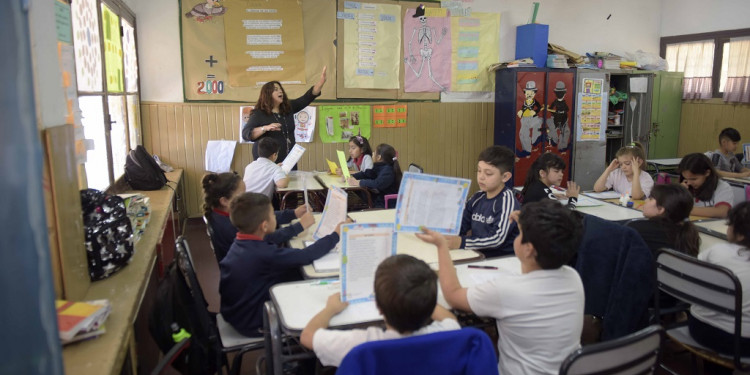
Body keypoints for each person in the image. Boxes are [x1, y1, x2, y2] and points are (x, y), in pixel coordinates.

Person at [417, 199, 584, 374]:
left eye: (520, 234)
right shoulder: (573, 278)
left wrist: (441, 246)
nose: (517, 236)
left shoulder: (507, 290)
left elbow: (453, 295)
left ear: (528, 249)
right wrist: (526, 224)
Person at [299, 254, 460, 367]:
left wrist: (330, 309)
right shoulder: (446, 333)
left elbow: (307, 336)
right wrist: (420, 295)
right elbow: (450, 319)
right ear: (431, 305)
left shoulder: (362, 344)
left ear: (378, 307)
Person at [220, 193, 343, 337]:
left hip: (238, 312)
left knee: (296, 275)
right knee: (317, 296)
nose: (275, 217)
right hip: (254, 321)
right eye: (273, 214)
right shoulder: (263, 254)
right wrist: (335, 235)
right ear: (264, 226)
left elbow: (273, 237)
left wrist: (298, 226)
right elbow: (305, 256)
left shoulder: (242, 242)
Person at [202, 172, 314, 262]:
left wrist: (294, 213)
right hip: (248, 274)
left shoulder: (223, 214)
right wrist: (299, 226)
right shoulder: (229, 225)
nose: (245, 196)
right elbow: (268, 239)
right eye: (242, 194)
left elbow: (261, 215)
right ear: (224, 201)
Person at [688, 201, 750, 356]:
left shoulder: (717, 250)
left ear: (740, 234)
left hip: (699, 327)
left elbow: (694, 279)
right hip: (742, 340)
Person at [444, 146, 519, 258]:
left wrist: (462, 242)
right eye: (479, 171)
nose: (481, 177)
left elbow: (497, 239)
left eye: (488, 173)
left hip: (501, 259)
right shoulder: (477, 197)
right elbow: (461, 223)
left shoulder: (506, 200)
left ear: (505, 177)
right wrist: (447, 234)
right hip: (477, 254)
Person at [242, 66, 327, 162]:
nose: (280, 91)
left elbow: (307, 98)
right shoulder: (259, 114)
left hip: (289, 158)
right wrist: (264, 128)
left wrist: (321, 83)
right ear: (267, 94)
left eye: (280, 89)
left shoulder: (288, 108)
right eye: (276, 89)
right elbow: (246, 134)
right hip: (268, 161)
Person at [625, 184, 700, 256]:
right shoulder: (690, 233)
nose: (646, 201)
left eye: (650, 199)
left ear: (660, 209)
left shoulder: (636, 228)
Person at [678, 153, 734, 218]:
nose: (689, 183)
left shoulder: (723, 187)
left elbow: (722, 212)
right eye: (686, 178)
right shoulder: (686, 186)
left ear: (707, 173)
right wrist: (679, 194)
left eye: (693, 179)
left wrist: (685, 210)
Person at [347, 143, 402, 208]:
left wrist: (359, 182)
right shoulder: (379, 166)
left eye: (374, 153)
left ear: (379, 157)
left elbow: (377, 184)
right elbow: (367, 174)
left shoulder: (388, 171)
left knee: (357, 200)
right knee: (356, 194)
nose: (372, 154)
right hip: (379, 197)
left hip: (386, 203)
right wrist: (352, 176)